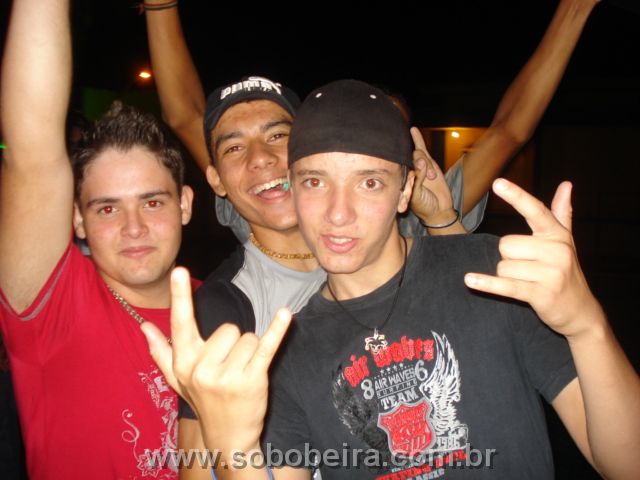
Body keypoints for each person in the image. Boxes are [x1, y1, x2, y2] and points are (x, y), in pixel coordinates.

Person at [144, 79, 640, 479]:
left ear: (405, 190)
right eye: (315, 181)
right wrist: (232, 447)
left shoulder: (491, 273)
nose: (338, 214)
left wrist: (586, 324)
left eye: (369, 182)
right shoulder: (286, 348)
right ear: (291, 187)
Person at [143, 0, 600, 243]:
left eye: (385, 135)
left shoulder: (421, 209)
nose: (365, 141)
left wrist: (575, 8)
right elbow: (188, 117)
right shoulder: (268, 208)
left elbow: (510, 130)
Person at [0, 0, 196, 478]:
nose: (134, 227)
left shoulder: (228, 307)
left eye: (153, 202)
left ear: (185, 205)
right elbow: (31, 153)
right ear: (78, 220)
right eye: (107, 208)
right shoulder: (55, 308)